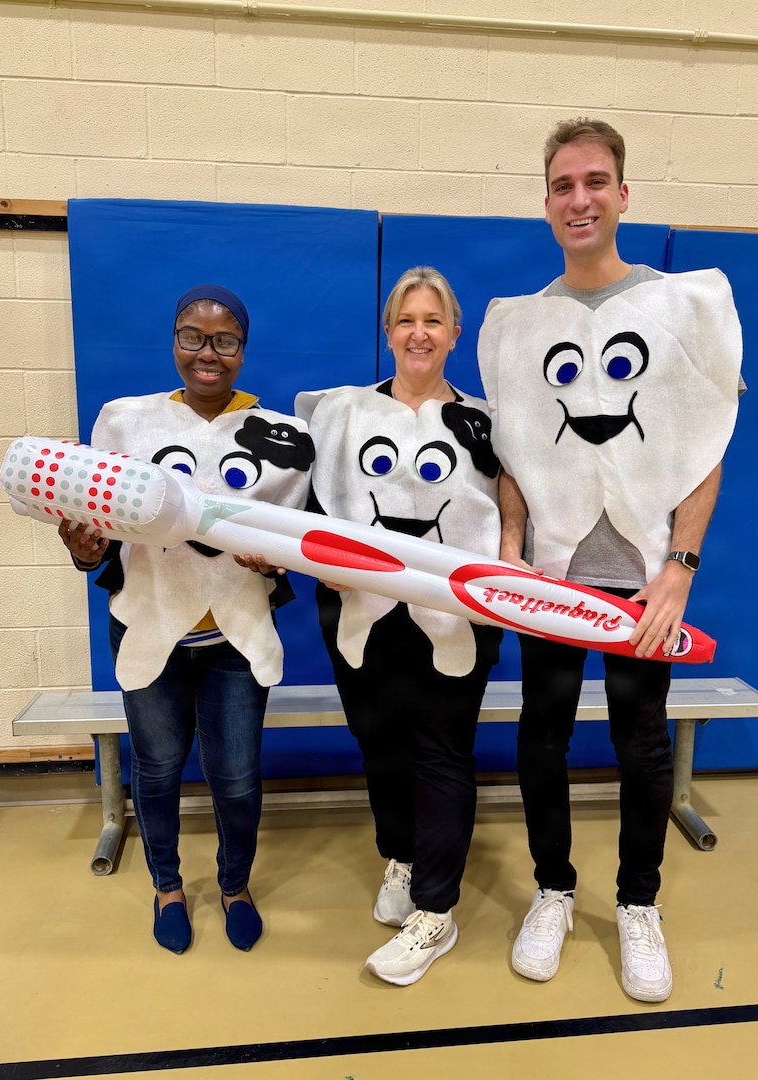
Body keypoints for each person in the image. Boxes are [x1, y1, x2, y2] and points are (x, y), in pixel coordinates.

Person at [477, 120, 743, 1002]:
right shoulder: (516, 326)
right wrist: (512, 552)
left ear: (623, 194)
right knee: (542, 732)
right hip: (552, 573)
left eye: (595, 181)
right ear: (546, 201)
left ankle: (639, 903)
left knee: (640, 737)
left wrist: (681, 562)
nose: (579, 198)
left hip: (644, 575)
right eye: (562, 184)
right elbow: (513, 454)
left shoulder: (679, 306)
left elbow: (706, 447)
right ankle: (554, 889)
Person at [58, 284, 314, 954]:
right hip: (150, 628)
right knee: (159, 766)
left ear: (243, 349)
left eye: (224, 339)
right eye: (192, 336)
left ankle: (234, 885)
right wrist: (83, 548)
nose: (208, 352)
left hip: (235, 636)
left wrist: (275, 563)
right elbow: (100, 536)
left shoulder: (286, 439)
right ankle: (167, 886)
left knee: (236, 775)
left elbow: (293, 543)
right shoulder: (126, 425)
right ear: (173, 341)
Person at [292, 266, 504, 986]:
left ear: (453, 332)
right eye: (406, 319)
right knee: (378, 741)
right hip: (358, 607)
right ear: (389, 332)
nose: (420, 332)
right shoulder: (341, 413)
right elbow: (305, 499)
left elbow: (512, 512)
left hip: (455, 616)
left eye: (433, 320)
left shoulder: (485, 423)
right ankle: (404, 856)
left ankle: (435, 913)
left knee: (441, 751)